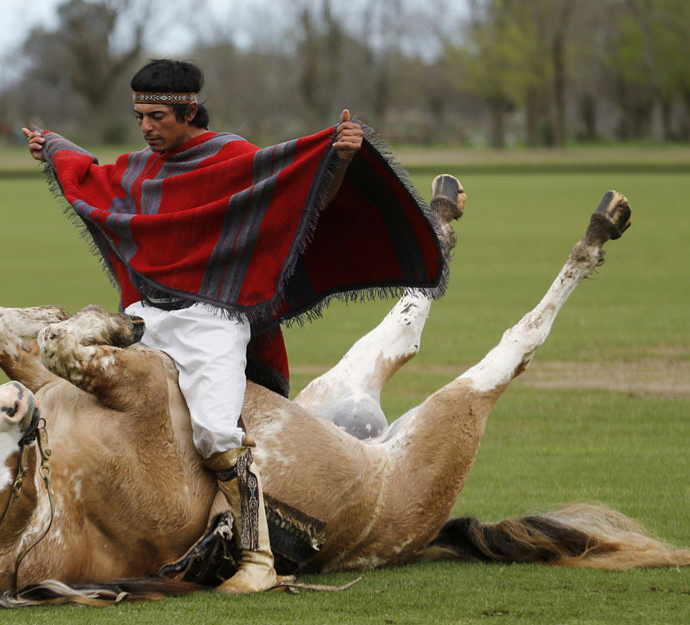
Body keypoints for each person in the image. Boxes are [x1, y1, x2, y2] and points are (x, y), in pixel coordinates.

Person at [23, 59, 446, 594]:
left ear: (190, 110)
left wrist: (336, 159)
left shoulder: (234, 158)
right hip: (146, 317)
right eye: (139, 117)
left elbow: (301, 195)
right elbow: (96, 179)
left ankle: (259, 558)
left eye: (157, 116)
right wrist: (56, 147)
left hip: (212, 320)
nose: (147, 127)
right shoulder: (142, 168)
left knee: (216, 435)